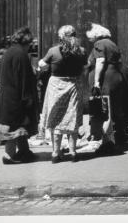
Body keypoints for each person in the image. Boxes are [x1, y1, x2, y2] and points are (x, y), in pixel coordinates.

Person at [38, 25, 87, 163]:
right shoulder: (81, 51)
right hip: (74, 85)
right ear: (74, 35)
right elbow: (85, 67)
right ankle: (72, 152)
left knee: (55, 118)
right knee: (72, 118)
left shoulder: (53, 51)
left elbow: (42, 64)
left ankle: (55, 153)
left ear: (60, 37)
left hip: (56, 87)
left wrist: (46, 65)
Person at [0, 27, 38, 164]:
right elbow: (23, 80)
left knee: (18, 125)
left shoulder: (9, 52)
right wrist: (28, 100)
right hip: (16, 98)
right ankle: (9, 155)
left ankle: (24, 151)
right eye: (30, 43)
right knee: (14, 125)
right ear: (26, 42)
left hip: (7, 96)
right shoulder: (21, 55)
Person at [86, 23, 127, 153]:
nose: (90, 39)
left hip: (106, 79)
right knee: (115, 107)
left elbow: (100, 61)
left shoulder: (100, 44)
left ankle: (107, 141)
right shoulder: (112, 44)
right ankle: (120, 135)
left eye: (91, 36)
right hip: (115, 77)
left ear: (96, 35)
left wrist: (97, 82)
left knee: (103, 108)